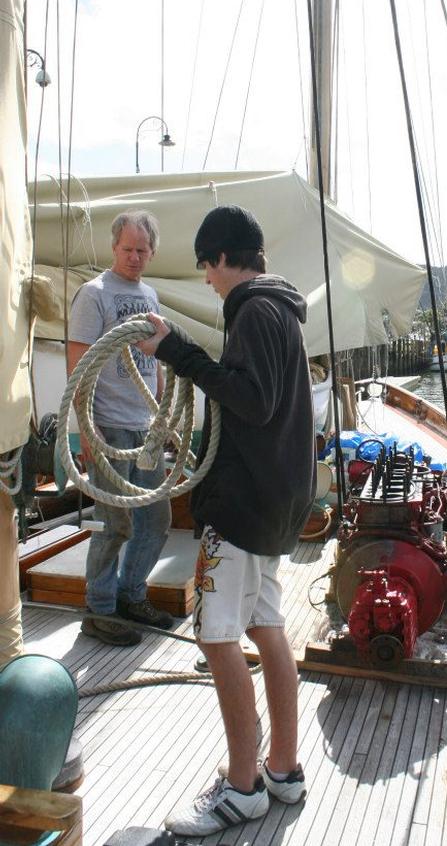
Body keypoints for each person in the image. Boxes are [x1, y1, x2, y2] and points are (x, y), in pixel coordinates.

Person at [137, 204, 316, 836]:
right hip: (275, 506)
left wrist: (177, 351)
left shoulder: (252, 311)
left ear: (219, 258)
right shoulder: (280, 311)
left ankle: (242, 789)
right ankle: (284, 770)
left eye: (207, 269)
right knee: (266, 627)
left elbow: (251, 401)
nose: (208, 282)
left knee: (218, 638)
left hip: (243, 509)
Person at [66, 210, 173, 647]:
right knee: (117, 523)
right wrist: (87, 430)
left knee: (157, 519)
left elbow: (156, 361)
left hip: (146, 428)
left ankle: (132, 595)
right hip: (109, 426)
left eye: (142, 250)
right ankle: (100, 609)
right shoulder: (93, 295)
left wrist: (163, 413)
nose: (134, 257)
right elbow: (79, 365)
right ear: (114, 248)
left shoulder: (149, 294)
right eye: (127, 249)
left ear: (151, 252)